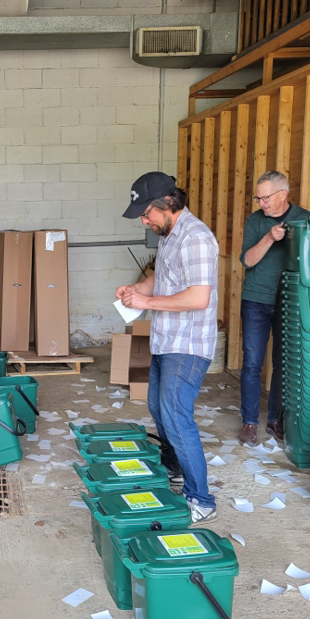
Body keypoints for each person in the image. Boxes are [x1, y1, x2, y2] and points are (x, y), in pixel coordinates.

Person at [117, 171, 219, 525]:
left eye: (146, 213)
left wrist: (151, 301)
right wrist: (136, 289)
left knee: (176, 417)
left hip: (188, 344)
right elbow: (160, 277)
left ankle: (201, 499)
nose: (144, 220)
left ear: (165, 205)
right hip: (166, 339)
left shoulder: (196, 238)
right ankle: (174, 466)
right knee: (157, 407)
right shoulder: (169, 236)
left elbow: (197, 297)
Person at [239, 171, 310, 445]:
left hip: (290, 302)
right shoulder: (254, 221)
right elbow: (247, 260)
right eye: (258, 197)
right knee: (252, 362)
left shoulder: (305, 219)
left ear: (283, 194)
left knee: (283, 363)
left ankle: (274, 420)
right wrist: (269, 237)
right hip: (256, 300)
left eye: (265, 197)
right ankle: (249, 422)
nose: (261, 202)